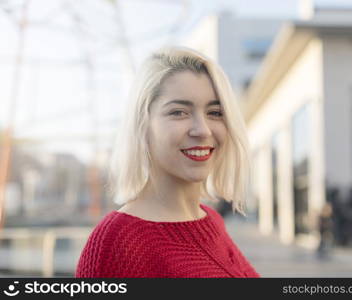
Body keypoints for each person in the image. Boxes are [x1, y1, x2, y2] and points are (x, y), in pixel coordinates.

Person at [75, 46, 260, 278]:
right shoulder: (117, 243)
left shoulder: (210, 221)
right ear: (143, 125)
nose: (202, 130)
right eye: (179, 112)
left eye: (214, 113)